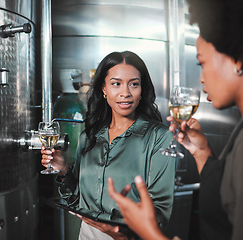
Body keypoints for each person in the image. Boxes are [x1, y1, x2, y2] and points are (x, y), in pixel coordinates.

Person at [108, 0, 243, 239]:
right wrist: (201, 152)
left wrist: (149, 232)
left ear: (237, 58)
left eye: (202, 63)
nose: (201, 78)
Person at [41, 51, 176, 240]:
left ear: (142, 89)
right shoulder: (89, 136)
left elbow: (160, 213)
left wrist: (122, 232)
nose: (125, 93)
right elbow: (76, 202)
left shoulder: (159, 137)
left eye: (134, 84)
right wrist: (63, 170)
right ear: (103, 89)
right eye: (116, 83)